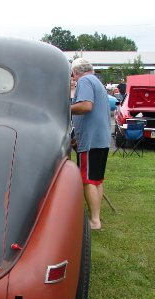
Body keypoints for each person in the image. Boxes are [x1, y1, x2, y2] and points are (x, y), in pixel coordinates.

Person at [70, 58, 111, 230]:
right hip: (101, 139)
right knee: (96, 180)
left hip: (91, 140)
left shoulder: (85, 81)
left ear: (75, 72)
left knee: (88, 181)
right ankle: (96, 217)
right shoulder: (97, 81)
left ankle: (94, 221)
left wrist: (64, 107)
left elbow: (86, 106)